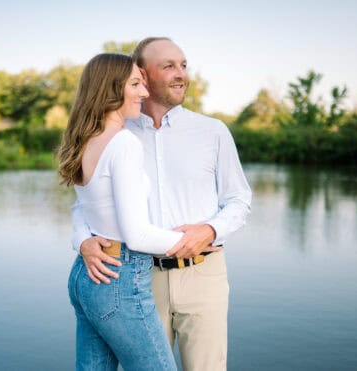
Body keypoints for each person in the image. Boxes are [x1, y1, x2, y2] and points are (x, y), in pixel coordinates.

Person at [72, 38, 252, 370]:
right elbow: (86, 202)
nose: (181, 74)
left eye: (183, 65)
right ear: (141, 73)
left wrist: (210, 230)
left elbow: (239, 200)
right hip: (137, 275)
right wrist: (83, 240)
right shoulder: (117, 132)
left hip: (203, 273)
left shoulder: (212, 131)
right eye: (168, 66)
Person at [58, 53, 189, 371]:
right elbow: (137, 233)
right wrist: (188, 242)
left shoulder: (84, 139)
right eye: (135, 84)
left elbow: (84, 209)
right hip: (119, 275)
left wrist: (82, 241)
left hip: (86, 276)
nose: (144, 93)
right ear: (109, 88)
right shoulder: (123, 143)